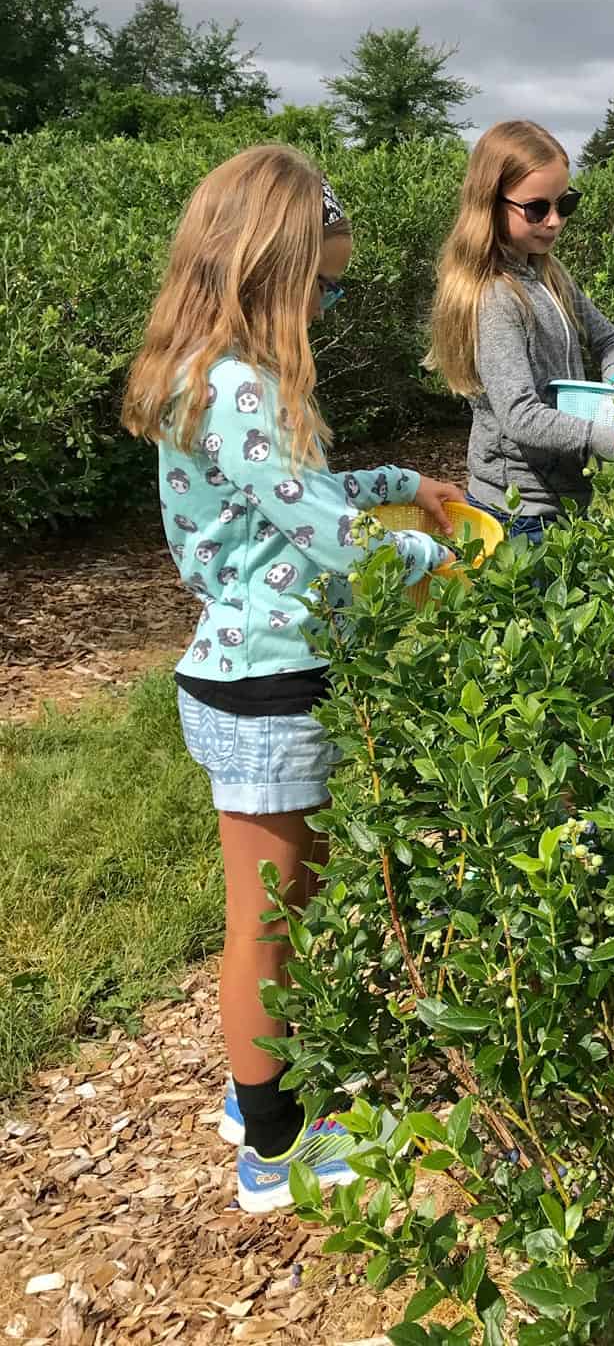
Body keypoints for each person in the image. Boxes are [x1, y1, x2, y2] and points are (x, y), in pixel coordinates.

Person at [122, 143, 465, 1212]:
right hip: (265, 687)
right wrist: (430, 559)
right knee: (265, 925)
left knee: (287, 904)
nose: (328, 298)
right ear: (271, 266)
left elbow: (293, 494)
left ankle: (258, 1095)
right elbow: (321, 531)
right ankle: (273, 1153)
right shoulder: (236, 389)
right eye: (323, 279)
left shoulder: (229, 384)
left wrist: (406, 482)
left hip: (264, 673)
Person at [426, 119, 614, 543]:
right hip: (518, 510)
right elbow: (520, 416)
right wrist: (612, 440)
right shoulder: (495, 297)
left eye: (565, 204)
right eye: (538, 208)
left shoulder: (548, 274)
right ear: (490, 203)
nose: (555, 221)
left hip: (563, 497)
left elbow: (613, 340)